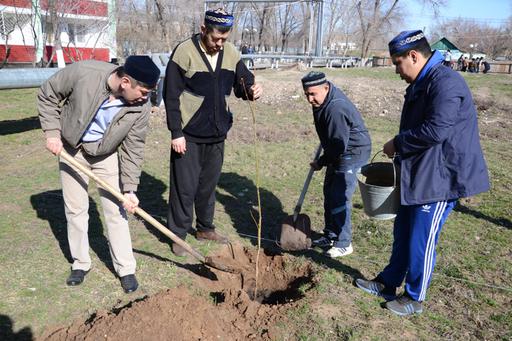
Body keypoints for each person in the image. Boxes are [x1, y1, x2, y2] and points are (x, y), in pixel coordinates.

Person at [355, 30, 490, 316]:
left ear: (414, 56)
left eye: (397, 63)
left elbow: (437, 130)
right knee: (403, 231)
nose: (396, 70)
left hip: (443, 177)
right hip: (419, 172)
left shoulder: (446, 83)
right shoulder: (424, 81)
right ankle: (388, 282)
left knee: (421, 237)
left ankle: (415, 297)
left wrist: (398, 143)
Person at [38, 56, 160, 293]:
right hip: (72, 150)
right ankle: (80, 263)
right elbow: (48, 92)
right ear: (125, 82)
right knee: (75, 209)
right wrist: (52, 132)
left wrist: (130, 188)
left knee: (117, 210)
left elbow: (134, 147)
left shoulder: (140, 107)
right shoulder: (85, 72)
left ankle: (126, 269)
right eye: (144, 91)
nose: (147, 98)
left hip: (105, 154)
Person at [163, 9, 263, 256]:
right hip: (188, 133)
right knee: (184, 187)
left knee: (208, 185)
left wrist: (252, 89)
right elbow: (171, 95)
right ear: (203, 29)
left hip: (217, 132)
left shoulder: (230, 53)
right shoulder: (183, 52)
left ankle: (205, 228)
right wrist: (176, 132)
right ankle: (179, 234)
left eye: (224, 39)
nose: (220, 44)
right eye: (216, 38)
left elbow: (243, 81)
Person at [302, 71, 371, 258]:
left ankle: (343, 242)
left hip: (352, 151)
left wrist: (321, 162)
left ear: (326, 88)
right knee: (329, 191)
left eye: (313, 94)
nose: (309, 99)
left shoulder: (335, 108)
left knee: (339, 196)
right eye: (306, 94)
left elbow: (338, 146)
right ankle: (331, 235)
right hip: (338, 148)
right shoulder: (323, 99)